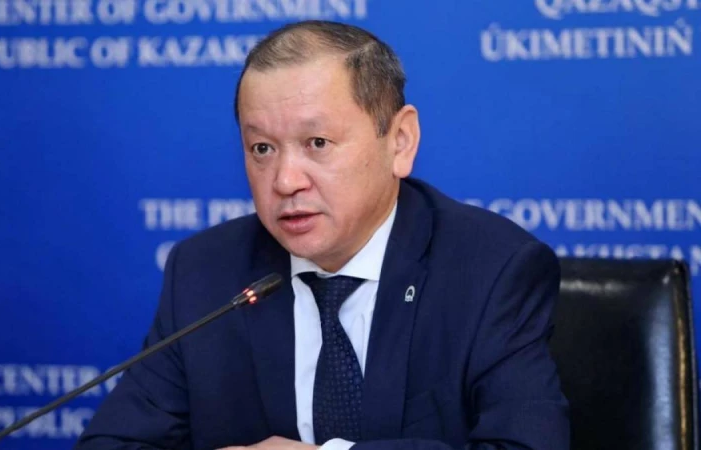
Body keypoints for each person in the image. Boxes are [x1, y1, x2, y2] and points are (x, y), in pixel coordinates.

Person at [76, 20, 569, 450]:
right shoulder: (205, 271)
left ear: (400, 142)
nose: (286, 180)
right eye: (262, 148)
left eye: (317, 143)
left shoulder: (491, 269)